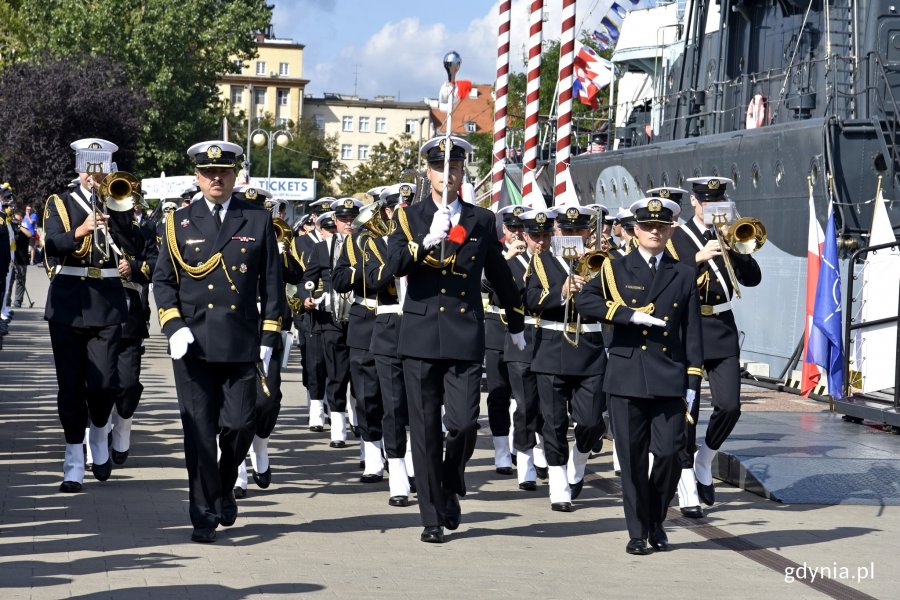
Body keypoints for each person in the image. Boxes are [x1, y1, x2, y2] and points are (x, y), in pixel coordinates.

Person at [387, 135, 526, 543]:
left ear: (463, 170)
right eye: (438, 166)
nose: (446, 173)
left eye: (454, 166)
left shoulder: (481, 220)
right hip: (420, 336)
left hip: (465, 335)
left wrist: (516, 322)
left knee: (464, 424)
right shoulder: (408, 217)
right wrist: (425, 240)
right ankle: (431, 515)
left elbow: (499, 274)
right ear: (426, 171)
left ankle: (450, 480)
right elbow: (393, 266)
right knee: (425, 429)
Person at [152, 140, 284, 543]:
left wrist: (268, 336)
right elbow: (163, 280)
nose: (216, 178)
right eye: (209, 173)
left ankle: (225, 485)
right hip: (192, 344)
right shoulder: (179, 222)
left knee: (241, 424)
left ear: (235, 175)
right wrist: (173, 327)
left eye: (224, 172)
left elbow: (273, 285)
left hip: (240, 341)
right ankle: (203, 513)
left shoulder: (257, 219)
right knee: (199, 432)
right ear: (197, 176)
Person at [576, 196, 703, 555]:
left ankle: (656, 518)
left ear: (669, 231)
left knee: (669, 454)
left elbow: (692, 332)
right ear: (634, 230)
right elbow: (585, 301)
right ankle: (637, 533)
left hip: (668, 376)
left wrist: (693, 381)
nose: (654, 232)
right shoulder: (616, 268)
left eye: (661, 227)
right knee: (631, 461)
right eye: (647, 226)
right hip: (627, 375)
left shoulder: (683, 273)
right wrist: (626, 315)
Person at [43, 138, 144, 493]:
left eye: (101, 166)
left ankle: (99, 434)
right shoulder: (59, 202)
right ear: (78, 169)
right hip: (69, 304)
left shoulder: (118, 205)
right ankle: (73, 461)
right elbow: (51, 244)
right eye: (89, 166)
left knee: (103, 386)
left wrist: (117, 218)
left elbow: (135, 246)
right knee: (70, 387)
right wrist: (81, 230)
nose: (94, 174)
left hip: (107, 304)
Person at [669, 176, 762, 514]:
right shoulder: (677, 236)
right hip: (688, 326)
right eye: (706, 202)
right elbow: (664, 277)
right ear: (695, 202)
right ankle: (686, 484)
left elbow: (752, 279)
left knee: (730, 405)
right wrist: (696, 258)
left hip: (721, 327)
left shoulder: (729, 233)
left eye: (718, 201)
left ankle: (704, 460)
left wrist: (734, 247)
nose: (712, 207)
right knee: (687, 410)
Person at [525, 205, 607, 512]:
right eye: (565, 231)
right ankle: (559, 482)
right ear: (556, 232)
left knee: (590, 421)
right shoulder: (541, 261)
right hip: (551, 349)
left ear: (586, 232)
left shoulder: (602, 262)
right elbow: (530, 299)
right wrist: (560, 292)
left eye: (577, 231)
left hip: (589, 348)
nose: (571, 236)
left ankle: (579, 459)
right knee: (554, 422)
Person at [231, 185, 304, 498]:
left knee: (268, 399)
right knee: (234, 404)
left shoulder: (277, 241)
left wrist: (282, 247)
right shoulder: (231, 240)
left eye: (261, 211)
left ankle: (260, 444)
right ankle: (236, 470)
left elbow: (296, 276)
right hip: (235, 326)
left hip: (269, 326)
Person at [364, 183, 417, 505]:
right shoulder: (374, 243)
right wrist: (401, 258)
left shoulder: (431, 239)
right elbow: (372, 279)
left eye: (409, 208)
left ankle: (418, 462)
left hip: (424, 329)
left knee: (423, 406)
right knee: (395, 406)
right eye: (398, 209)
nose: (403, 214)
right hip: (388, 328)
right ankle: (397, 472)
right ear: (386, 212)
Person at [300, 199, 358, 449]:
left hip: (361, 319)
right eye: (344, 220)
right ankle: (338, 428)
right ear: (335, 221)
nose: (348, 224)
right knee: (336, 374)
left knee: (362, 377)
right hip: (332, 319)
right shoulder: (323, 248)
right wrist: (307, 298)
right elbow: (306, 280)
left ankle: (360, 421)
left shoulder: (366, 244)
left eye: (352, 220)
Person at [507, 208, 554, 490]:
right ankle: (524, 460)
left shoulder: (559, 262)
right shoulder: (514, 262)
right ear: (525, 235)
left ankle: (543, 452)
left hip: (550, 340)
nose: (541, 241)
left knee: (549, 407)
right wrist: (509, 259)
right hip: (521, 338)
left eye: (546, 234)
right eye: (536, 236)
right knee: (525, 405)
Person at [482, 204, 527, 476]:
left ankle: (520, 447)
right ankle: (500, 450)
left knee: (522, 394)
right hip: (497, 325)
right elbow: (483, 283)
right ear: (504, 229)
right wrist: (507, 258)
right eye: (512, 228)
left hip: (524, 326)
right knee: (498, 391)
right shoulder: (496, 251)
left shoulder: (537, 255)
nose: (517, 233)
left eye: (521, 228)